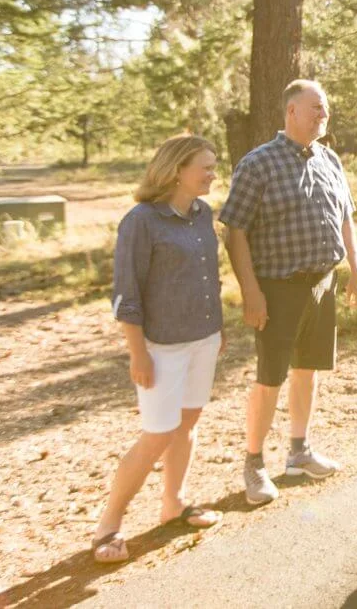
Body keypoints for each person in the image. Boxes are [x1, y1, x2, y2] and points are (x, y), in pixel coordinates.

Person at [219, 80, 357, 505]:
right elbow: (236, 231)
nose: (324, 115)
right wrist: (251, 292)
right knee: (270, 378)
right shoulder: (257, 164)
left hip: (323, 284)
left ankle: (298, 452)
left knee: (308, 370)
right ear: (291, 112)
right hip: (278, 288)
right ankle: (254, 463)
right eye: (317, 108)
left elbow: (346, 220)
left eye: (326, 109)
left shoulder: (330, 159)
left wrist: (356, 270)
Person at [93, 135, 225, 564]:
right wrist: (138, 353)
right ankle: (108, 524)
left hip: (203, 338)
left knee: (188, 423)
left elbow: (211, 278)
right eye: (205, 166)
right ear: (175, 170)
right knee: (157, 434)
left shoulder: (203, 214)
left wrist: (216, 330)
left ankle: (174, 503)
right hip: (161, 347)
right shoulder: (141, 221)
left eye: (213, 165)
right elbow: (126, 296)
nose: (212, 173)